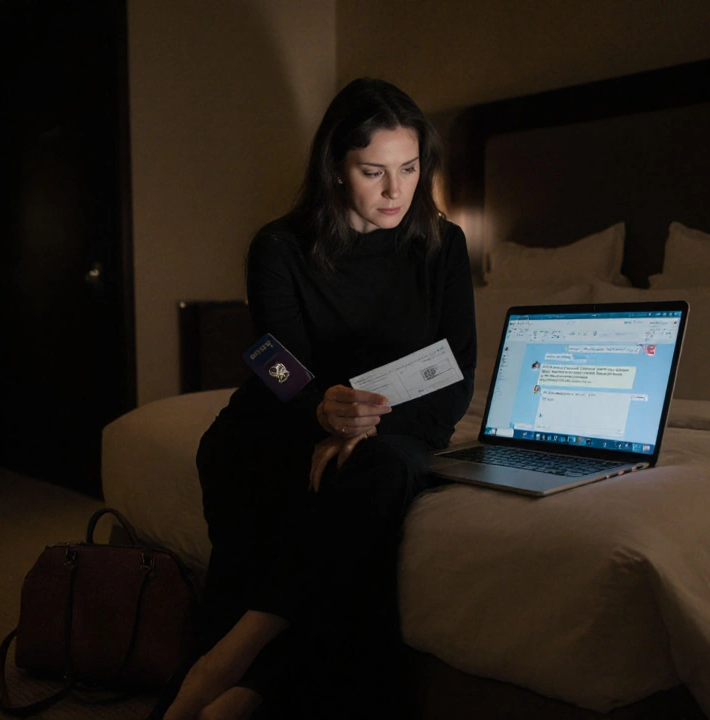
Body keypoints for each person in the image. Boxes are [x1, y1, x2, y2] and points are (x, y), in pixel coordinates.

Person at [155, 78, 476, 720]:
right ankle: (255, 689)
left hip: (394, 424)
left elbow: (456, 373)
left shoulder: (444, 247)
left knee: (383, 471)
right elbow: (276, 363)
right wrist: (320, 412)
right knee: (247, 464)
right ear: (336, 168)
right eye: (373, 171)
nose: (396, 191)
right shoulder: (279, 246)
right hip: (283, 418)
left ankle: (235, 661)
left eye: (409, 169)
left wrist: (360, 425)